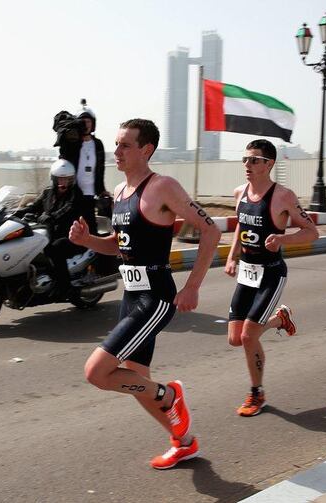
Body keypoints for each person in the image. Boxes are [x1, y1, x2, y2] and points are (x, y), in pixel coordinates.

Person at [69, 118, 221, 469]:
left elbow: (210, 230)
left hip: (155, 296)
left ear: (145, 150)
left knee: (97, 373)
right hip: (131, 294)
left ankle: (171, 395)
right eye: (116, 144)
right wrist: (86, 241)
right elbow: (119, 246)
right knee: (136, 380)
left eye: (125, 145)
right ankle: (184, 442)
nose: (116, 151)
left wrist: (193, 286)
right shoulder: (120, 194)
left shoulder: (163, 187)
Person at [224, 139, 319, 417]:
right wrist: (232, 257)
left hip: (271, 273)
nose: (247, 165)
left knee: (248, 335)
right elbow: (241, 224)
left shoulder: (283, 196)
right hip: (247, 272)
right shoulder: (239, 193)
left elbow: (312, 232)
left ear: (269, 164)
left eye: (254, 160)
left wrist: (283, 239)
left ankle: (257, 394)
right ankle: (280, 319)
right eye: (245, 159)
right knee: (235, 338)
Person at [17, 159, 94, 298]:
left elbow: (67, 209)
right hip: (52, 234)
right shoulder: (47, 193)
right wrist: (17, 213)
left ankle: (65, 287)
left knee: (55, 248)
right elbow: (34, 206)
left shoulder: (75, 194)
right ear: (53, 178)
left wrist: (50, 217)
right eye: (60, 179)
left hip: (72, 237)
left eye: (67, 179)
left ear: (72, 180)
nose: (63, 183)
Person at [67, 99, 110, 219]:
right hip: (74, 195)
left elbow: (101, 169)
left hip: (91, 195)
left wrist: (102, 189)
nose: (85, 124)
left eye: (88, 121)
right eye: (82, 121)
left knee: (91, 228)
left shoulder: (98, 144)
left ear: (93, 123)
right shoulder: (72, 143)